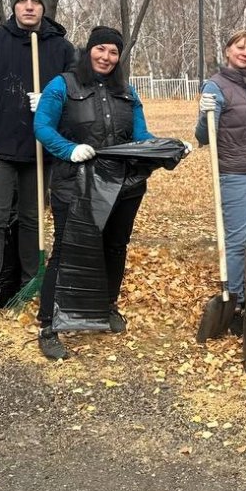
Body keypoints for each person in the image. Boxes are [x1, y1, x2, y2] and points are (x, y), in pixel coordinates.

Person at [33, 26, 154, 360]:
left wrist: (166, 148)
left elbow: (140, 135)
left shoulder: (127, 92)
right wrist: (68, 149)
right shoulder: (63, 85)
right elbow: (42, 126)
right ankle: (48, 322)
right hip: (76, 184)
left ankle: (106, 305)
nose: (106, 57)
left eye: (114, 52)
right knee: (66, 249)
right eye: (101, 49)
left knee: (115, 247)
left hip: (122, 185)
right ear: (88, 51)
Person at [0, 0, 76, 324]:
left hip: (40, 149)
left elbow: (76, 94)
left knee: (32, 219)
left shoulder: (61, 49)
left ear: (43, 7)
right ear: (13, 6)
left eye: (34, 1)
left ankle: (32, 285)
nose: (28, 6)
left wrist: (52, 106)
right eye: (22, 1)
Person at [195, 30, 246, 333]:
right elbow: (204, 137)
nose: (245, 53)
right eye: (240, 48)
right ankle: (235, 302)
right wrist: (205, 115)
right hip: (235, 173)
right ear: (228, 50)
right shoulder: (216, 86)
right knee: (237, 240)